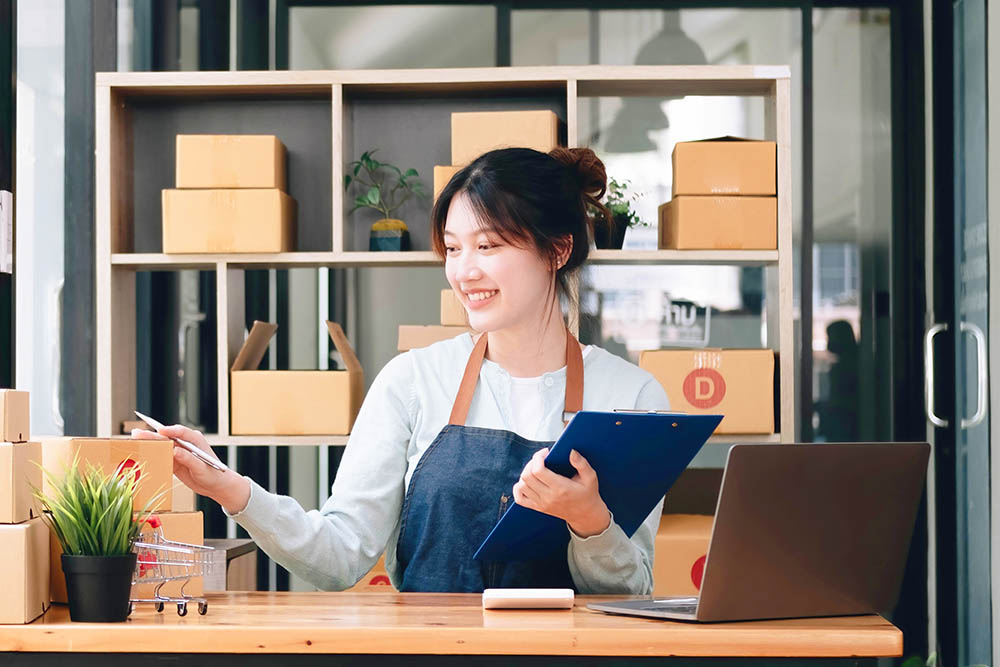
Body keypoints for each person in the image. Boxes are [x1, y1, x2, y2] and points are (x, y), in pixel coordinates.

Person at [135, 146, 670, 594]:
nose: (465, 271)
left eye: (488, 245)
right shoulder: (413, 381)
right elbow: (340, 556)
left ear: (557, 250)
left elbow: (632, 591)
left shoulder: (632, 397)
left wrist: (590, 521)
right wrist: (229, 487)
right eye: (454, 249)